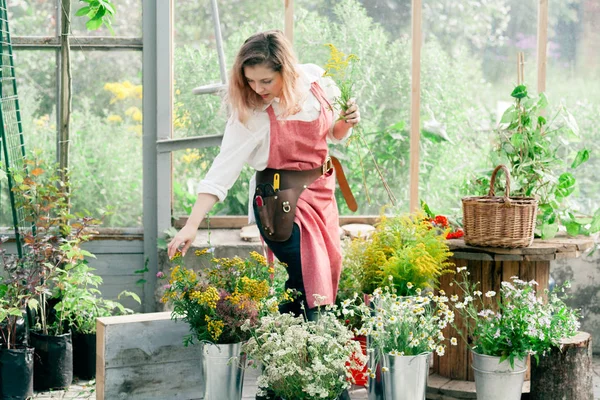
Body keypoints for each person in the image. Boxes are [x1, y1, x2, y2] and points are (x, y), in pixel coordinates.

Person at [167, 29, 360, 321]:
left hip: (322, 195)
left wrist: (347, 122)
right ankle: (315, 344)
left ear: (288, 70)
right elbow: (222, 170)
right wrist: (191, 225)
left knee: (325, 269)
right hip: (279, 203)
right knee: (310, 274)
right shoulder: (252, 114)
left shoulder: (318, 86)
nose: (258, 88)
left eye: (266, 80)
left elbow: (333, 133)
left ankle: (281, 343)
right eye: (250, 80)